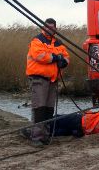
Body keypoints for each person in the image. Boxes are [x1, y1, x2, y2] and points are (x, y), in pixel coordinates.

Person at [24, 18, 69, 146]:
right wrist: (56, 57)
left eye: (52, 28)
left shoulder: (58, 43)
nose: (49, 30)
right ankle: (36, 137)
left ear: (55, 29)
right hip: (39, 79)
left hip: (52, 80)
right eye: (47, 27)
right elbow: (39, 55)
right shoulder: (36, 40)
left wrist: (64, 62)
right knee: (39, 108)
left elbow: (66, 56)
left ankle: (45, 135)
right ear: (43, 28)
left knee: (49, 109)